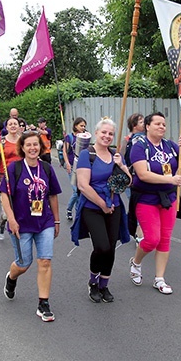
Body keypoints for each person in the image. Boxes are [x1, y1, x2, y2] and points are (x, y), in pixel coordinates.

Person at [127, 112, 181, 294]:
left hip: (168, 199)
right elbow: (142, 174)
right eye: (157, 124)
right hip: (146, 198)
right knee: (151, 239)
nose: (161, 127)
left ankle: (159, 279)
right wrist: (170, 179)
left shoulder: (170, 146)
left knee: (165, 239)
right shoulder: (139, 146)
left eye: (164, 124)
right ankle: (136, 262)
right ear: (147, 126)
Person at [0, 131, 62, 322]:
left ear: (40, 147)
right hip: (21, 224)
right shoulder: (14, 168)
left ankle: (43, 303)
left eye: (36, 144)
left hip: (44, 222)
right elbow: (4, 194)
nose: (33, 148)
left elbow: (52, 195)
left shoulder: (47, 168)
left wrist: (57, 220)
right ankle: (11, 278)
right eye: (29, 145)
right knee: (24, 263)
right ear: (23, 148)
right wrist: (10, 219)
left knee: (45, 261)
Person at [73, 118, 131, 303]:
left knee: (111, 249)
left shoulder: (115, 155)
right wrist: (102, 204)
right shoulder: (86, 154)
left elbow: (128, 181)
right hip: (93, 207)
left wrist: (121, 166)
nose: (107, 136)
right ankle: (92, 282)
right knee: (102, 247)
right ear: (96, 133)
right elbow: (83, 185)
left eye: (111, 134)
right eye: (104, 132)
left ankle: (104, 285)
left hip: (115, 207)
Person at [0, 117, 21, 240]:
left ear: (19, 126)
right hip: (5, 178)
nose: (13, 126)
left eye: (15, 123)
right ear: (6, 127)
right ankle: (2, 223)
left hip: (21, 177)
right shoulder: (1, 142)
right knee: (6, 212)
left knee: (19, 207)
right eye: (10, 124)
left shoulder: (23, 141)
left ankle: (19, 233)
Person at [121, 112, 146, 241]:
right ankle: (138, 234)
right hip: (132, 179)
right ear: (134, 126)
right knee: (138, 206)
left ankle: (129, 227)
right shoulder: (128, 141)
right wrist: (127, 175)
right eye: (141, 122)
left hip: (144, 179)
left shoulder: (147, 138)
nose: (145, 124)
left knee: (137, 206)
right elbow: (122, 160)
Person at [64, 117, 87, 220]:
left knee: (80, 190)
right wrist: (67, 164)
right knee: (76, 191)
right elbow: (65, 151)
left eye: (84, 126)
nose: (83, 128)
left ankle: (78, 212)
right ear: (75, 125)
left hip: (81, 167)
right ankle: (71, 210)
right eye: (81, 125)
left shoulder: (85, 137)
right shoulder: (69, 137)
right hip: (72, 166)